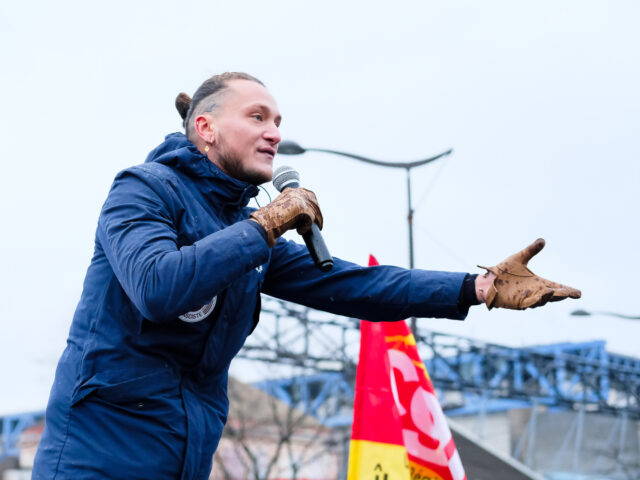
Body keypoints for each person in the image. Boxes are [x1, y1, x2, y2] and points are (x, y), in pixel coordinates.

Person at [32, 72, 580, 479]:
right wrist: (267, 224)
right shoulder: (144, 190)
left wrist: (476, 287)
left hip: (181, 458)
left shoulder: (244, 231)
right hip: (94, 456)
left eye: (278, 122)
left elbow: (353, 285)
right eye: (257, 117)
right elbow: (157, 287)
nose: (273, 133)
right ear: (204, 127)